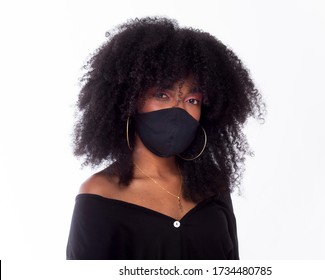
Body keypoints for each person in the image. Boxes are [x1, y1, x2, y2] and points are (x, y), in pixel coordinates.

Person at [66, 17, 264, 260]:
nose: (178, 110)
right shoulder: (99, 194)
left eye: (192, 100)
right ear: (129, 100)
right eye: (162, 94)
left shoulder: (213, 186)